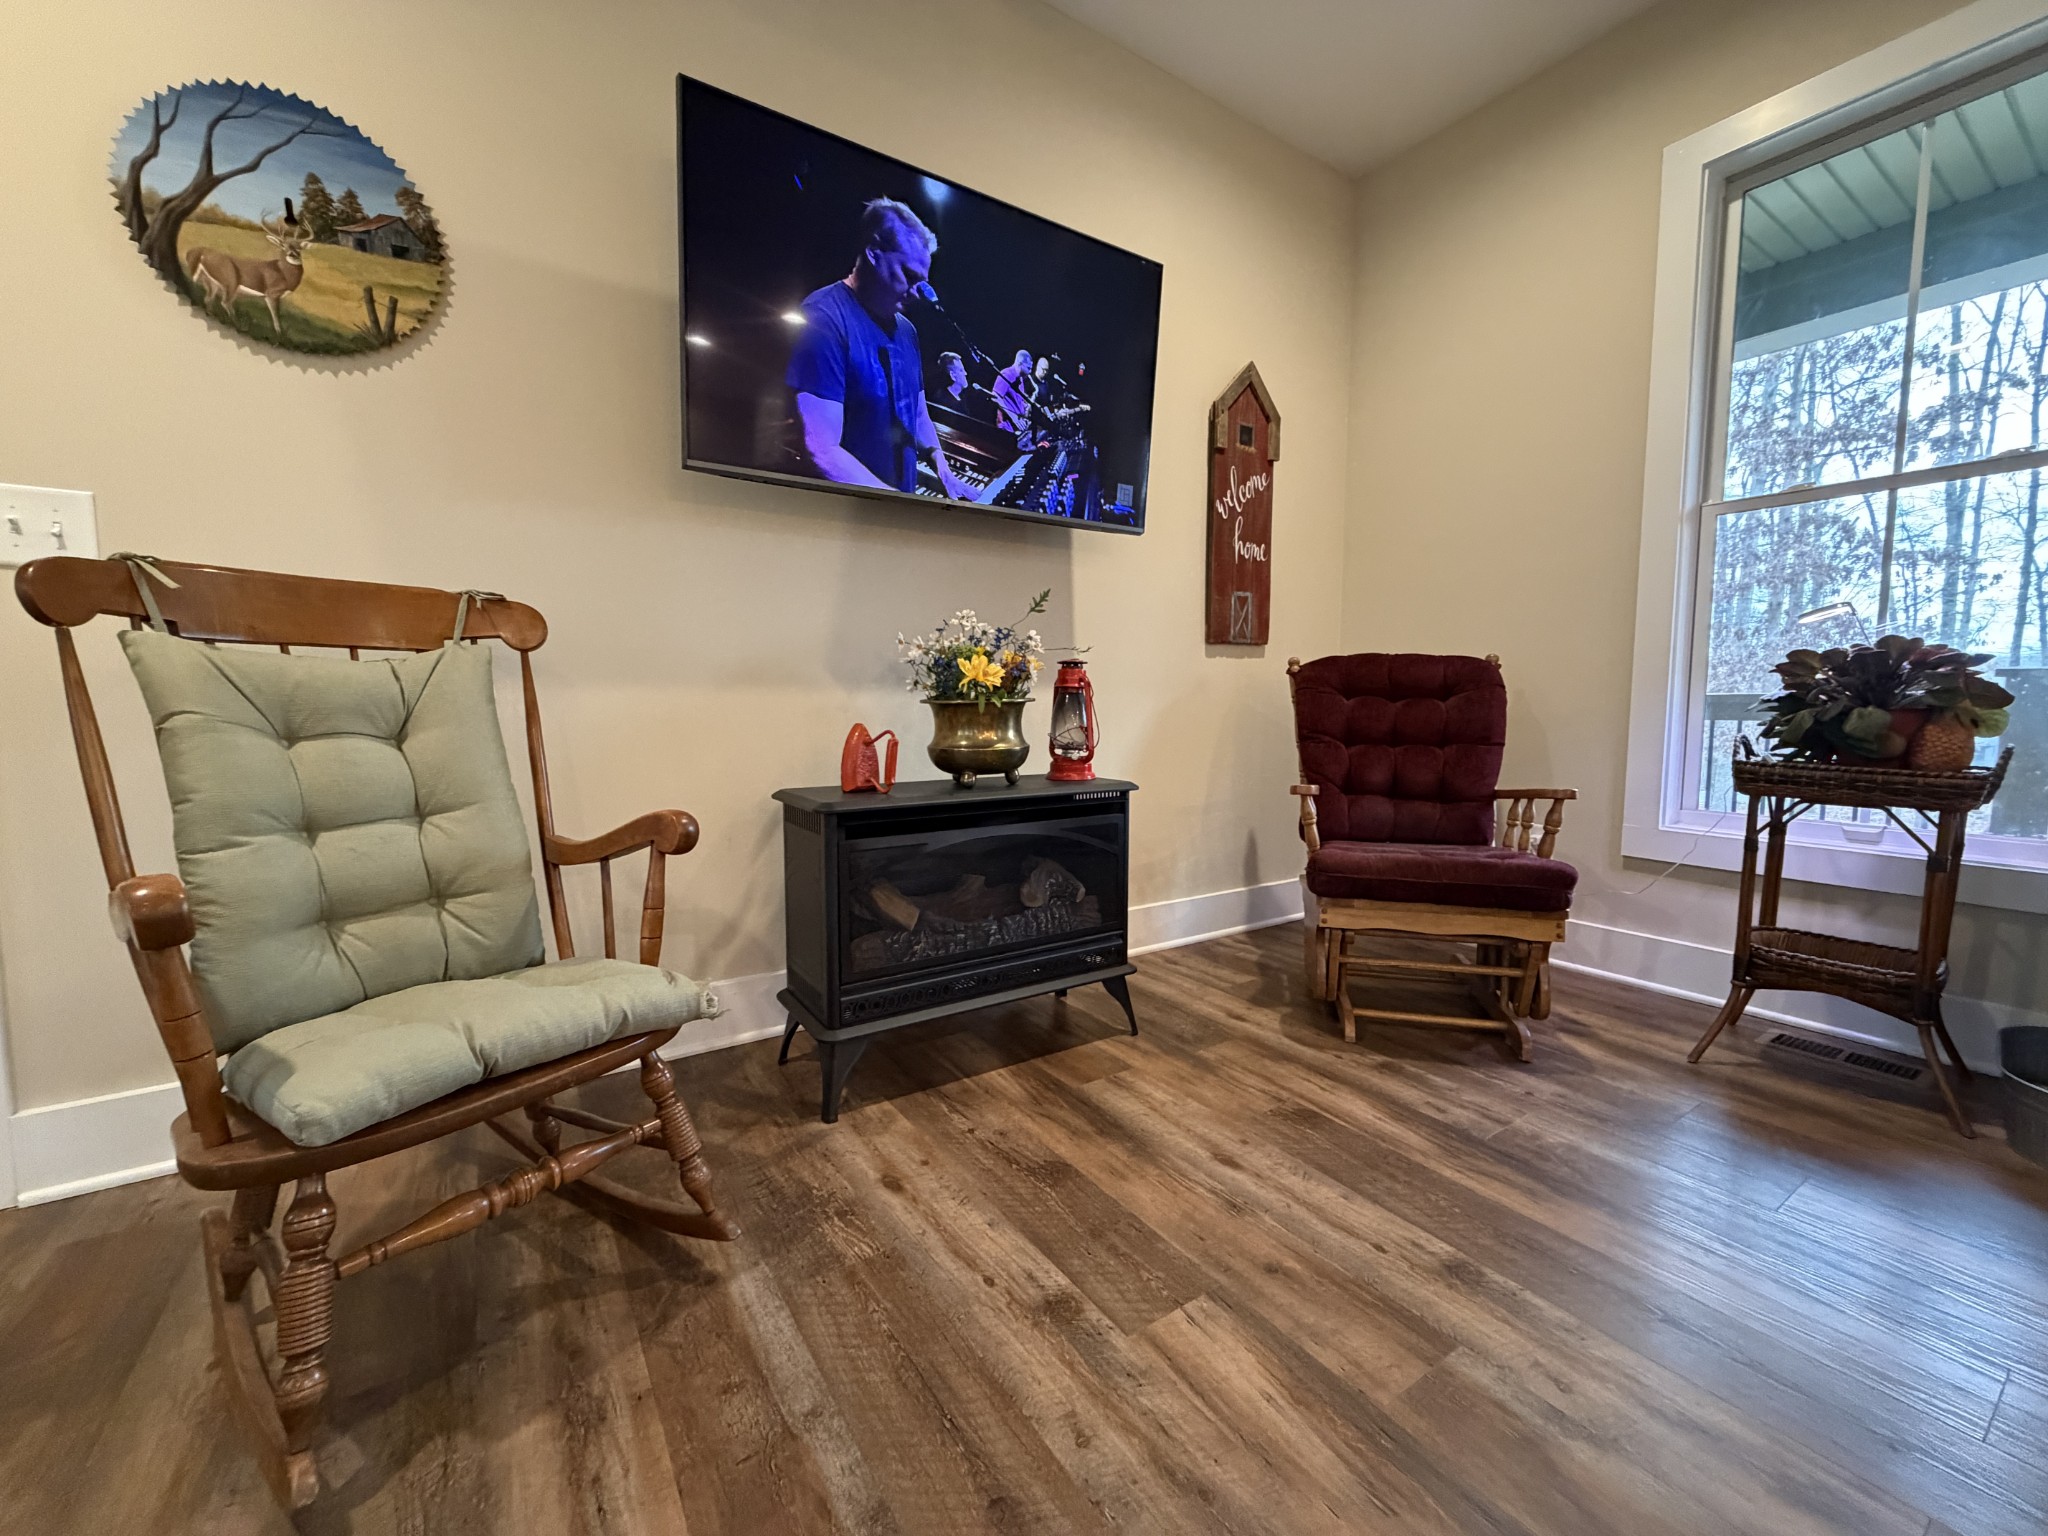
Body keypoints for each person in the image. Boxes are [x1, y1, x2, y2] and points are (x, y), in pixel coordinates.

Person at [787, 198, 970, 499]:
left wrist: (943, 467)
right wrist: (897, 506)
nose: (917, 293)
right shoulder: (824, 318)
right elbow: (822, 450)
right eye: (908, 275)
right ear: (873, 253)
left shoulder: (907, 331)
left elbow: (917, 412)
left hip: (893, 506)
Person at [991, 349, 1038, 441]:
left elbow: (1016, 399)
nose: (1030, 372)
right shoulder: (1007, 374)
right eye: (1028, 368)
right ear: (1020, 363)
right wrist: (1015, 418)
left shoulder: (1020, 378)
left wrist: (1025, 406)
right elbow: (995, 396)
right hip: (1006, 427)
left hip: (1015, 427)